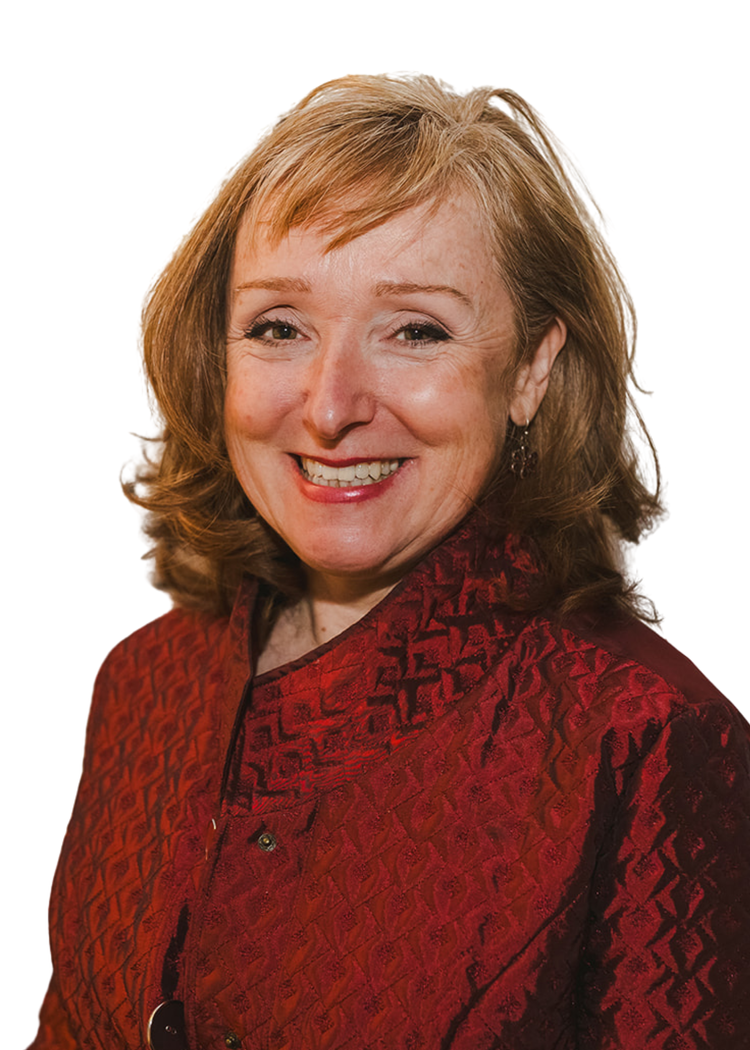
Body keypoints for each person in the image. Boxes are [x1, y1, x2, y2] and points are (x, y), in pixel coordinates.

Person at [29, 74, 750, 1050]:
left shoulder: (650, 743)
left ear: (530, 369)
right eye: (279, 326)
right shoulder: (144, 684)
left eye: (415, 331)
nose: (330, 406)